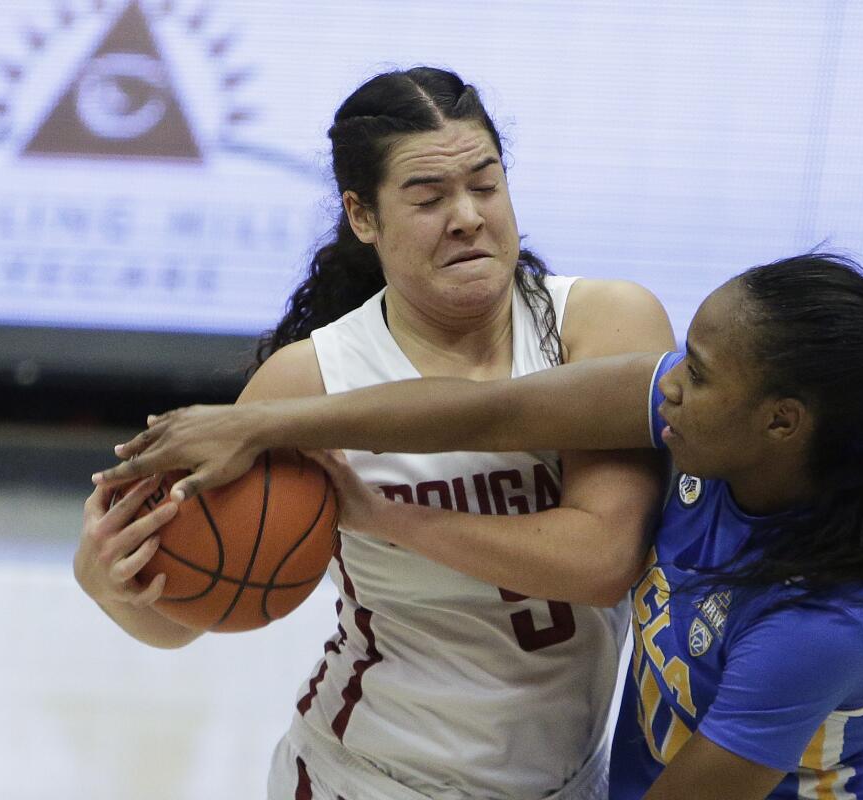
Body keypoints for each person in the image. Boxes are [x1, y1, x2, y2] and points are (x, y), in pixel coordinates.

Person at [97, 253, 863, 799]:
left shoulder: (820, 624)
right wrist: (268, 424)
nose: (668, 376)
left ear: (782, 422)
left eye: (701, 372)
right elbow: (493, 412)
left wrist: (381, 513)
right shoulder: (701, 433)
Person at [76, 66, 676, 800]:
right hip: (368, 777)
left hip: (568, 781)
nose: (466, 216)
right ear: (363, 218)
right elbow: (192, 613)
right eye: (428, 199)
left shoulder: (603, 323)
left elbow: (602, 557)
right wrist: (107, 580)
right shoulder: (307, 384)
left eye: (485, 185)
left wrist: (386, 519)